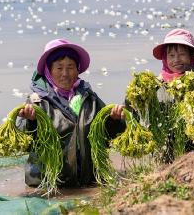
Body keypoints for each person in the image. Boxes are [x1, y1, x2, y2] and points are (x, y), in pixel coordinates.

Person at [18, 39, 125, 187]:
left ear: (77, 69)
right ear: (49, 70)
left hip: (88, 182)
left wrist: (114, 120)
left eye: (70, 67)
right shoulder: (36, 102)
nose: (65, 74)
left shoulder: (89, 98)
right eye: (59, 68)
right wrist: (31, 121)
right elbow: (23, 143)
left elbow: (108, 137)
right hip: (48, 186)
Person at [152, 28, 194, 100]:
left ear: (191, 56)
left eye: (182, 54)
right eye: (171, 55)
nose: (176, 60)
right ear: (165, 58)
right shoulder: (156, 85)